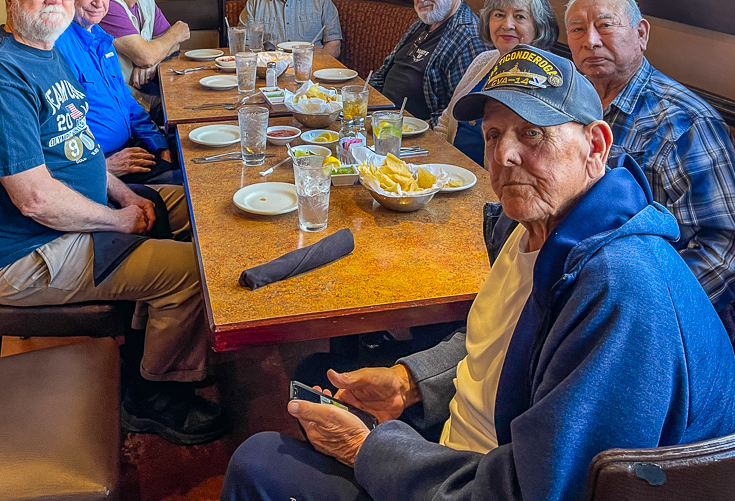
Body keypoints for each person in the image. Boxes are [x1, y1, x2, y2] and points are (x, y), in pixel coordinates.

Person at [220, 45, 735, 501]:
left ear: (595, 146)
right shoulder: (534, 226)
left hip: (488, 476)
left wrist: (366, 450)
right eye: (493, 134)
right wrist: (408, 383)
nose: (505, 154)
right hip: (472, 444)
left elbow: (529, 490)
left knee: (259, 460)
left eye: (533, 133)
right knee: (315, 376)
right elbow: (497, 342)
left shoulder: (618, 289)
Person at [0, 0, 225, 446]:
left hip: (64, 226)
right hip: (27, 254)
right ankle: (151, 394)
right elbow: (35, 199)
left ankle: (149, 338)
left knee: (201, 212)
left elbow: (80, 150)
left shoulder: (45, 53)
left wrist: (120, 192)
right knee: (191, 272)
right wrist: (118, 219)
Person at [565, 0, 735, 342]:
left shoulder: (683, 123)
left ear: (641, 34)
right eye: (577, 29)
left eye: (605, 25)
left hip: (656, 316)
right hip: (576, 286)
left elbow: (724, 248)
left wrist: (642, 310)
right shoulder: (572, 107)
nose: (590, 41)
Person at [55, 0, 182, 185]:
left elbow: (126, 101)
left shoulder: (101, 40)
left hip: (130, 146)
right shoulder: (57, 47)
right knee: (186, 183)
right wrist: (102, 166)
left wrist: (159, 143)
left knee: (187, 156)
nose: (99, 2)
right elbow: (61, 128)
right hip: (101, 164)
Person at [434, 0, 559, 165]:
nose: (506, 25)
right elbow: (446, 120)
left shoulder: (544, 79)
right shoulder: (484, 60)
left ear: (538, 25)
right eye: (499, 15)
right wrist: (435, 163)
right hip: (452, 176)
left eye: (519, 16)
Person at [368, 0, 492, 124]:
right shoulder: (427, 19)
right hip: (379, 116)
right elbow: (386, 69)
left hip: (413, 134)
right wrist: (364, 98)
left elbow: (461, 115)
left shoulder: (469, 37)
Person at [99, 0, 190, 119]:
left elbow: (173, 46)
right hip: (119, 103)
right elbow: (146, 56)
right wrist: (176, 32)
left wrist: (153, 63)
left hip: (142, 94)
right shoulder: (107, 3)